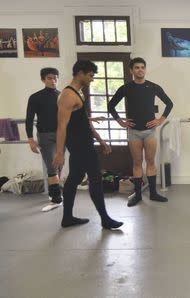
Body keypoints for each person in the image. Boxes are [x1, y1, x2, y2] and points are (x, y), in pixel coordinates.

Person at [53, 60, 123, 229]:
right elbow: (61, 126)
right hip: (79, 146)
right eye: (90, 75)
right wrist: (60, 153)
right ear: (80, 73)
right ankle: (105, 219)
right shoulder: (68, 96)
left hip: (84, 143)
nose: (92, 79)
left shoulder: (78, 93)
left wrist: (100, 140)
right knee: (96, 179)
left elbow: (84, 121)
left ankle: (67, 218)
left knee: (74, 179)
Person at [108, 57, 174, 207]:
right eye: (137, 67)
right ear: (131, 70)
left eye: (142, 67)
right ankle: (137, 195)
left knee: (151, 161)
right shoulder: (126, 88)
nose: (140, 70)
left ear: (145, 69)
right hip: (133, 132)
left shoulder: (153, 87)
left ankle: (153, 193)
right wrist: (120, 121)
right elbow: (111, 105)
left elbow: (169, 103)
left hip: (150, 131)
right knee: (137, 163)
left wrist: (160, 120)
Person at [25, 67, 63, 212]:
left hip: (61, 134)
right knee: (51, 166)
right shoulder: (35, 97)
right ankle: (56, 199)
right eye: (49, 78)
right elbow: (29, 119)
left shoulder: (62, 96)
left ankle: (55, 192)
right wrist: (30, 139)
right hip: (45, 135)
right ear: (43, 79)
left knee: (59, 165)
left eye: (55, 78)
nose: (53, 81)